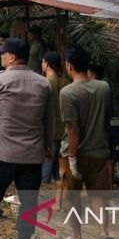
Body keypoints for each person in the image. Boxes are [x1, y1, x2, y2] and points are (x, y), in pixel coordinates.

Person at [0, 38, 53, 239]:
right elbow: (48, 120)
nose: (0, 55)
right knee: (29, 201)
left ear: (11, 57)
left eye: (3, 52)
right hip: (32, 155)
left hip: (1, 153)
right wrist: (48, 147)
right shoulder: (44, 83)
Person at [59, 45, 115, 239]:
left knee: (72, 199)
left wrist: (72, 159)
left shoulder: (67, 93)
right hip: (100, 152)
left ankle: (77, 237)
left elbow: (72, 127)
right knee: (98, 196)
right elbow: (108, 117)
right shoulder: (103, 87)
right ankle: (104, 233)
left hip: (75, 154)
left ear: (69, 65)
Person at [41, 51, 68, 185]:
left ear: (46, 64)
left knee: (45, 173)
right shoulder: (66, 82)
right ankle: (60, 201)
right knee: (59, 171)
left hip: (49, 131)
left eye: (42, 62)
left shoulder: (45, 83)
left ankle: (44, 199)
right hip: (65, 132)